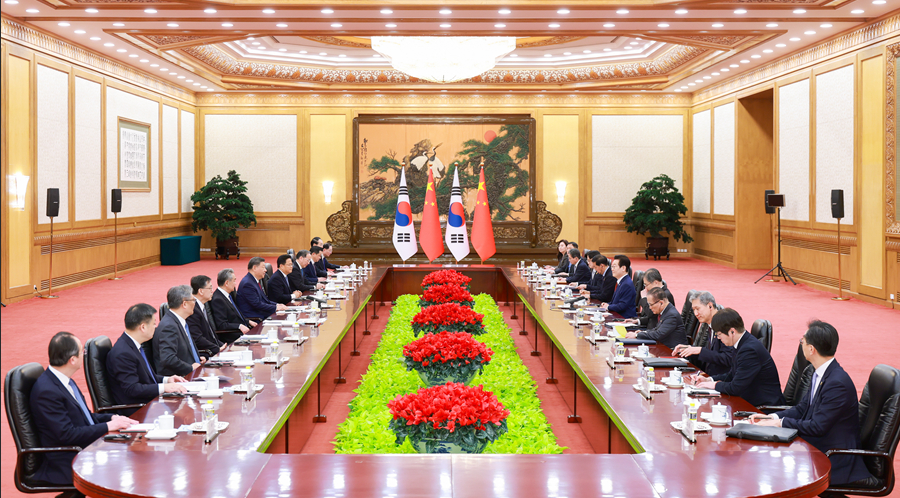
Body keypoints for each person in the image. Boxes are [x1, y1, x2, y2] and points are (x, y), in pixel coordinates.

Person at [750, 320, 872, 486]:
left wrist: (780, 423)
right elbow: (802, 409)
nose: (801, 344)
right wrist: (771, 417)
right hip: (817, 444)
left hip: (834, 456)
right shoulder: (819, 373)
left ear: (811, 349)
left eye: (803, 341)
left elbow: (817, 427)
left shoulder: (837, 383)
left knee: (771, 463)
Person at [30, 332, 138, 486]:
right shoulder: (47, 391)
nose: (84, 354)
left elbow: (84, 417)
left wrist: (112, 418)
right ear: (72, 360)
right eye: (82, 351)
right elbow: (67, 435)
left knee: (132, 450)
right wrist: (108, 426)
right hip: (67, 459)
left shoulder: (64, 381)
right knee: (128, 465)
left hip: (84, 447)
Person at [107, 303, 188, 415]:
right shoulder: (123, 353)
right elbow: (132, 389)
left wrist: (167, 380)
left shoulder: (133, 345)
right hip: (138, 410)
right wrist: (164, 387)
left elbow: (146, 377)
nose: (156, 327)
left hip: (149, 403)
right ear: (143, 327)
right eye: (154, 324)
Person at [695, 308, 785, 407]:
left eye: (719, 334)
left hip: (763, 407)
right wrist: (709, 380)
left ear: (732, 332)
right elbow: (732, 375)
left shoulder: (749, 350)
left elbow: (736, 388)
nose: (719, 338)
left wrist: (714, 385)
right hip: (749, 400)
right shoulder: (741, 343)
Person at [673, 291, 734, 377]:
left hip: (722, 379)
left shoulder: (725, 325)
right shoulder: (709, 324)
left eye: (698, 309)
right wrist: (690, 349)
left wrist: (700, 351)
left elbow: (728, 358)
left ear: (710, 306)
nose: (695, 314)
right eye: (694, 310)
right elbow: (712, 352)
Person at [153, 285, 205, 376]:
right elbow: (168, 358)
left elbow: (181, 350)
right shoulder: (169, 326)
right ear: (184, 304)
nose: (195, 303)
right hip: (179, 378)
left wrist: (196, 358)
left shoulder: (178, 321)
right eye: (193, 300)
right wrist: (190, 367)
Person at [210, 268, 256, 343]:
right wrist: (239, 326)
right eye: (234, 281)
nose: (235, 283)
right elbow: (222, 325)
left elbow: (234, 316)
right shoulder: (218, 300)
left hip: (243, 332)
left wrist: (247, 321)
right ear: (227, 283)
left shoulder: (228, 294)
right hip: (233, 337)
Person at [236, 257, 287, 321]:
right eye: (263, 267)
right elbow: (257, 304)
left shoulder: (254, 281)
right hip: (255, 318)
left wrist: (277, 305)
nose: (265, 270)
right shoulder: (247, 284)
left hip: (261, 313)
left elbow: (265, 300)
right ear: (254, 268)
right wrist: (276, 307)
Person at [186, 275, 224, 357]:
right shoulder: (193, 310)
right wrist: (217, 348)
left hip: (213, 348)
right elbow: (197, 338)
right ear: (201, 291)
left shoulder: (202, 306)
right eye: (210, 288)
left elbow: (211, 335)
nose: (212, 291)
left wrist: (223, 346)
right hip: (205, 353)